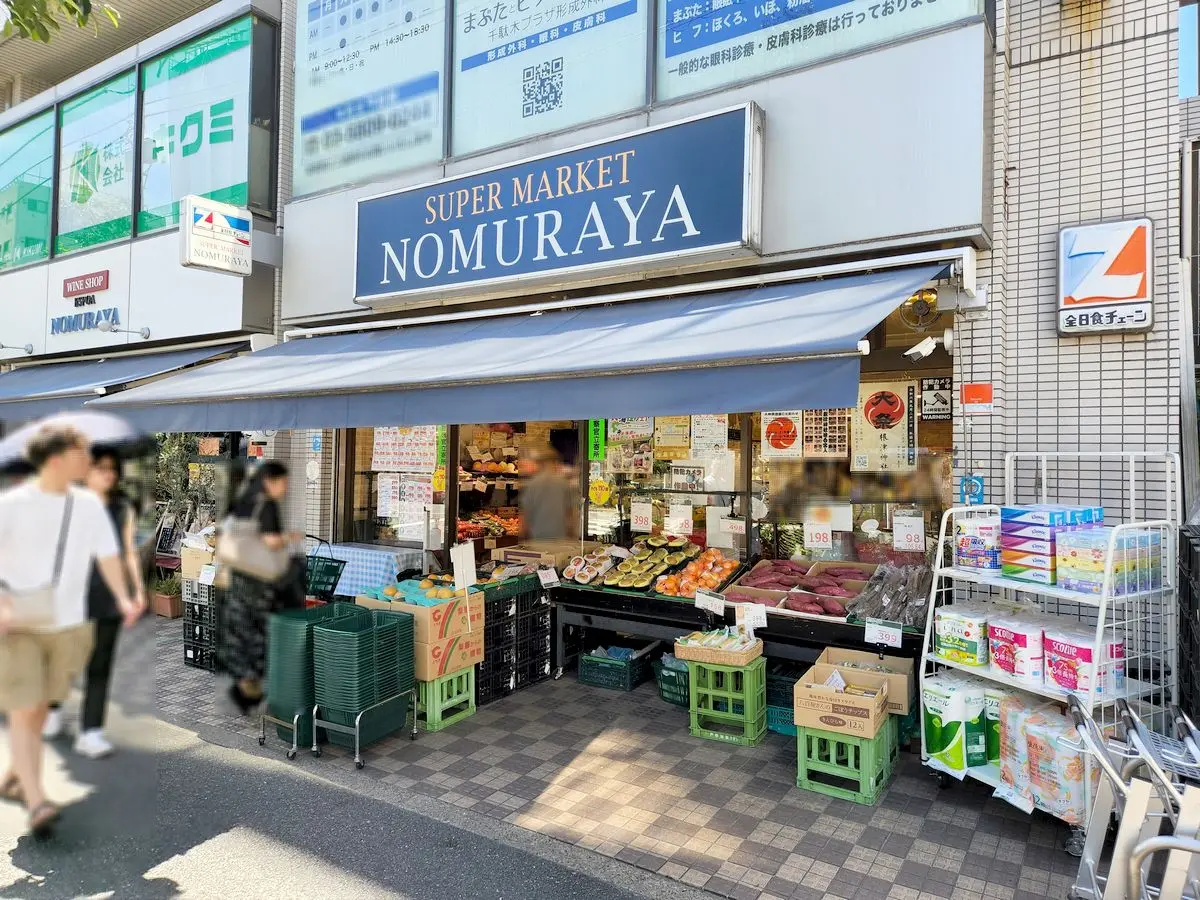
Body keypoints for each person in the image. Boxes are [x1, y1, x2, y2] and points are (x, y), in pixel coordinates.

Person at [0, 426, 138, 837]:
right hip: (22, 621)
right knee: (26, 707)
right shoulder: (14, 504)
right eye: (82, 454)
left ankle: (15, 773)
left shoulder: (89, 506)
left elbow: (109, 555)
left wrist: (124, 597)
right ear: (57, 460)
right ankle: (36, 800)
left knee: (42, 706)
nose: (89, 461)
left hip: (69, 623)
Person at [44, 448, 147, 757]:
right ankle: (52, 708)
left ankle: (91, 732)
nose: (108, 474)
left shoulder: (122, 508)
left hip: (108, 597)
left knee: (99, 666)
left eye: (112, 468)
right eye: (101, 467)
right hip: (72, 596)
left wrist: (138, 592)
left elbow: (128, 552)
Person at [221, 461, 300, 715]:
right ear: (269, 482)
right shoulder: (267, 505)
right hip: (258, 581)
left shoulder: (244, 502)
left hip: (240, 578)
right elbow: (271, 541)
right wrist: (290, 537)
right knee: (262, 636)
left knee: (244, 633)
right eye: (283, 483)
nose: (285, 488)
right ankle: (256, 695)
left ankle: (246, 689)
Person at [520, 448, 576, 541]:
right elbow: (569, 513)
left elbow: (526, 513)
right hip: (559, 536)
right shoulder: (563, 483)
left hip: (537, 536)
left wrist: (523, 534)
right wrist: (571, 533)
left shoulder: (533, 483)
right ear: (555, 463)